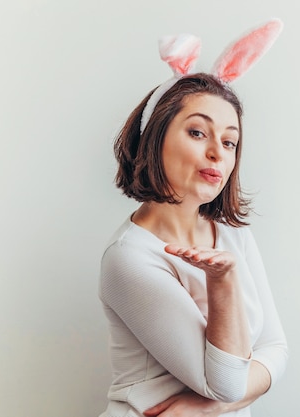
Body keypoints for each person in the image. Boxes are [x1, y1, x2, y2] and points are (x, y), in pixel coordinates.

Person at [98, 20, 287, 417]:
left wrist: (202, 411)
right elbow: (227, 383)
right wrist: (223, 284)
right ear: (154, 137)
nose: (218, 152)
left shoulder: (233, 234)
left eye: (230, 140)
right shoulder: (129, 258)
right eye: (198, 132)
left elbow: (276, 349)